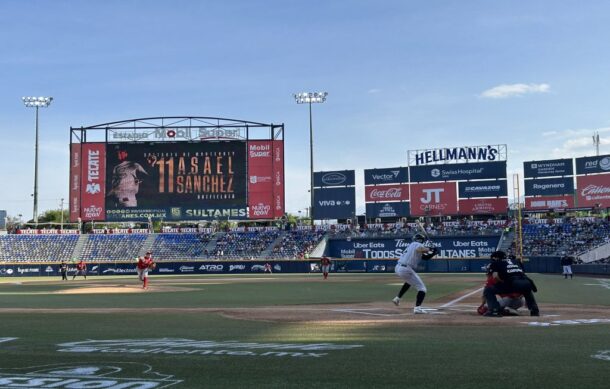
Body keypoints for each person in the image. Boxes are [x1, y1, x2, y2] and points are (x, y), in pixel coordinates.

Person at [483, 250, 539, 317]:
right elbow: (521, 272)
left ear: (496, 258)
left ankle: (494, 311)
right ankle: (535, 311)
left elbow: (495, 276)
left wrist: (502, 282)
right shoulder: (516, 261)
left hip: (512, 282)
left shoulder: (496, 263)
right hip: (526, 281)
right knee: (526, 289)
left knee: (488, 290)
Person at [392, 233, 438, 314]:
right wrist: (431, 249)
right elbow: (419, 249)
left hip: (399, 268)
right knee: (422, 289)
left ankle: (397, 298)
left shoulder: (411, 246)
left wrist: (434, 252)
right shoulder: (416, 244)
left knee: (409, 282)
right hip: (405, 268)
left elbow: (425, 257)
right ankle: (417, 308)